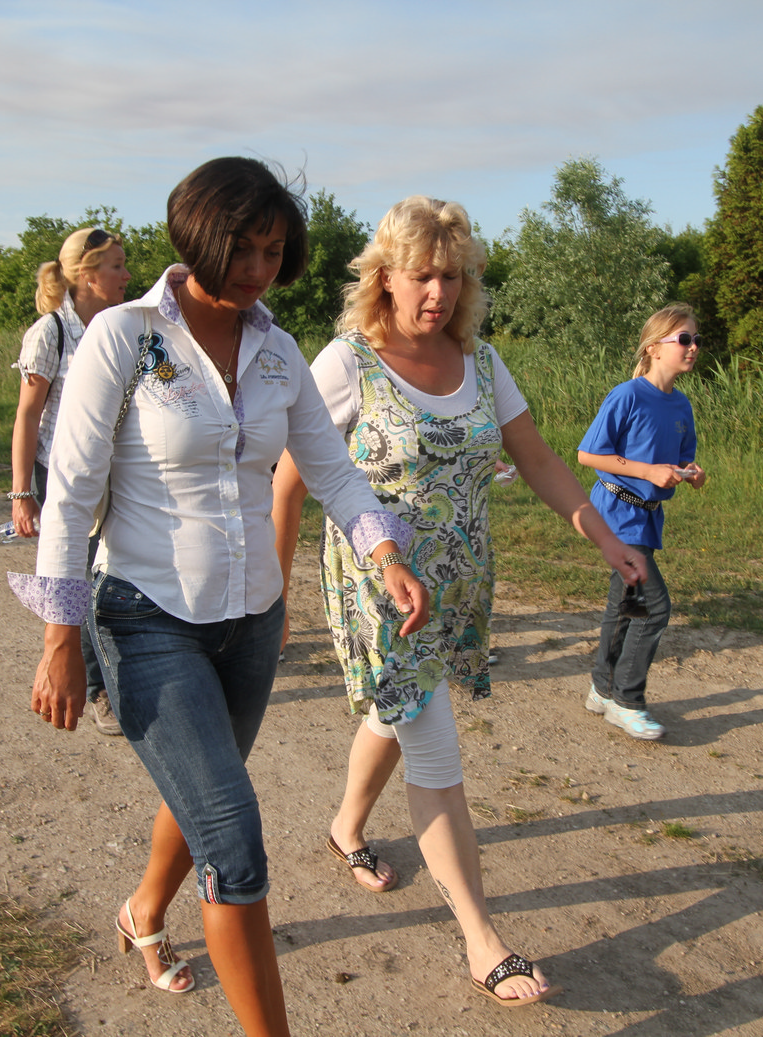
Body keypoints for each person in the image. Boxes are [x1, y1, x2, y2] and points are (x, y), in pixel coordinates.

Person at [8, 157, 428, 1037]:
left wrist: (383, 550)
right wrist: (59, 635)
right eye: (243, 248)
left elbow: (332, 470)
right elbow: (71, 493)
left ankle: (142, 911)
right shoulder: (125, 337)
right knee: (233, 837)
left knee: (204, 788)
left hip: (251, 623)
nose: (257, 269)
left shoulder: (277, 352)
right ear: (200, 235)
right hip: (146, 618)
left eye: (273, 252)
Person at [271, 197, 646, 1007]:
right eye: (420, 275)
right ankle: (482, 939)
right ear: (384, 277)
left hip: (458, 581)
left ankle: (344, 827)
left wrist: (601, 534)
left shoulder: (481, 360)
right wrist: (272, 591)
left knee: (399, 711)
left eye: (450, 275)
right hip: (380, 587)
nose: (436, 292)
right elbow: (290, 479)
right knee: (434, 746)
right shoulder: (346, 362)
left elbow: (535, 457)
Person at [9, 226, 131, 736]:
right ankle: (99, 689)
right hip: (65, 476)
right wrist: (22, 493)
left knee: (114, 573)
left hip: (116, 472)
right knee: (80, 583)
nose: (127, 276)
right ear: (86, 275)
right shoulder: (51, 333)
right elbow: (27, 416)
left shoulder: (123, 327)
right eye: (117, 266)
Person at [577, 303, 708, 740]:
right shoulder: (627, 395)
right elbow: (588, 454)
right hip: (617, 512)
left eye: (696, 340)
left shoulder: (681, 404)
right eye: (684, 339)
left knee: (626, 602)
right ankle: (626, 702)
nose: (693, 347)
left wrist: (691, 472)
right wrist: (648, 471)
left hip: (648, 517)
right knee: (654, 607)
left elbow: (682, 457)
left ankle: (602, 689)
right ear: (653, 348)